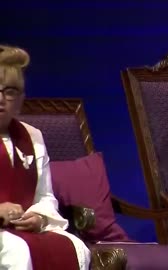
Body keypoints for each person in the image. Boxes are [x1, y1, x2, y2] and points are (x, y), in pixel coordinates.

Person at [0, 45, 90, 270]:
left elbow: (45, 197)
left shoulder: (33, 137)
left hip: (23, 229)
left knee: (75, 246)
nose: (1, 99)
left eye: (9, 91)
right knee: (17, 251)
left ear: (21, 98)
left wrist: (39, 218)